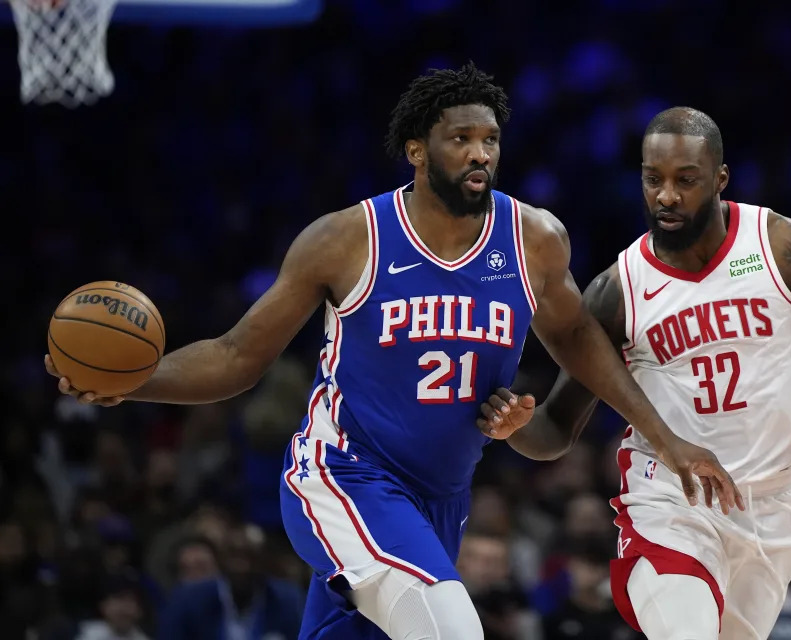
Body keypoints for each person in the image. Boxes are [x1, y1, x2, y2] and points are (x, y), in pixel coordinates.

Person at [44, 66, 742, 640]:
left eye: (490, 139)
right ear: (416, 149)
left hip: (440, 501)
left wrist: (668, 440)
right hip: (344, 477)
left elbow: (580, 344)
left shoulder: (533, 239)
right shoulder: (347, 240)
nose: (480, 154)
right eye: (460, 138)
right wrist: (132, 382)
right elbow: (235, 357)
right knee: (452, 632)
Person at [476, 107, 791, 640]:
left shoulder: (786, 248)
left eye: (685, 180)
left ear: (720, 180)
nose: (666, 196)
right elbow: (557, 431)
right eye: (653, 180)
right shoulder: (617, 290)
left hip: (773, 507)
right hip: (670, 502)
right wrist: (516, 427)